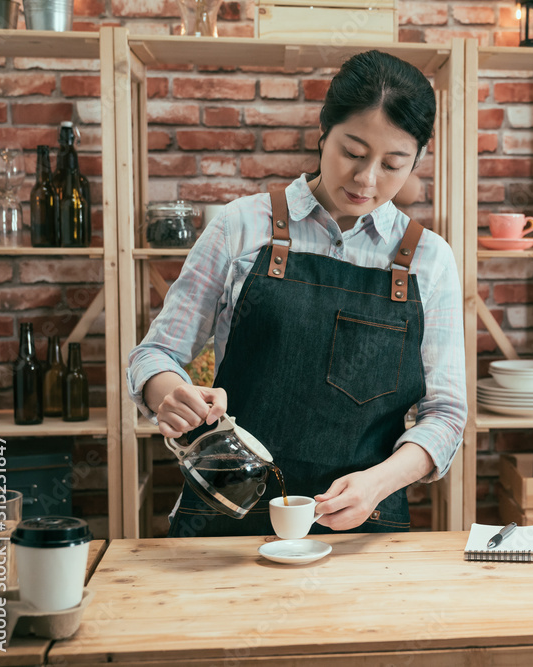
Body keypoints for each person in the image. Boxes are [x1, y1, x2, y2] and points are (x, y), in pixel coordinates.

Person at [127, 50, 466, 537]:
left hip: (362, 525)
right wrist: (169, 393)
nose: (367, 179)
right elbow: (155, 353)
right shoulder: (241, 227)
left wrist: (377, 484)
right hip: (225, 519)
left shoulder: (429, 260)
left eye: (394, 164)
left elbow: (447, 415)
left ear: (417, 159)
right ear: (323, 131)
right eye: (352, 152)